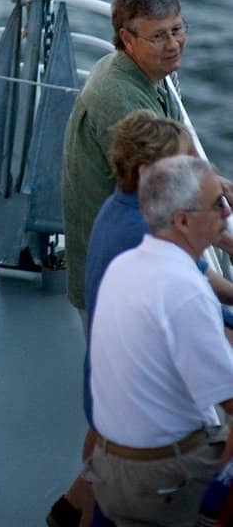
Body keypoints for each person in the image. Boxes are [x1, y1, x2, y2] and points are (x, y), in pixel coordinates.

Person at [86, 155, 233, 527]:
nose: (227, 213)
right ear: (182, 220)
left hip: (109, 467)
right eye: (218, 203)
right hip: (158, 478)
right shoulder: (185, 290)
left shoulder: (126, 265)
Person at [62, 0, 185, 319]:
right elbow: (169, 190)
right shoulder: (122, 99)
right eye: (158, 36)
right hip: (116, 269)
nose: (174, 44)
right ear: (128, 39)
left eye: (177, 29)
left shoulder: (130, 70)